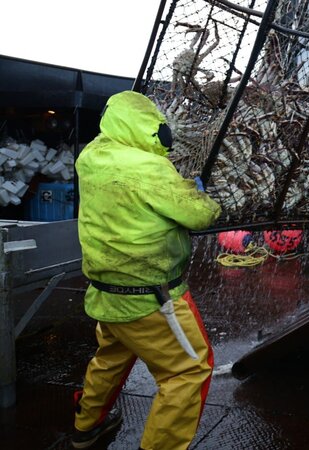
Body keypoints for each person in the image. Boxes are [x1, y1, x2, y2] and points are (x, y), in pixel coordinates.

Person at [71, 91, 221, 450]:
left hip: (106, 291)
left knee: (111, 356)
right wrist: (199, 195)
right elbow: (199, 215)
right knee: (188, 371)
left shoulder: (90, 157)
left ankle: (86, 427)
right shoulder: (150, 167)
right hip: (151, 298)